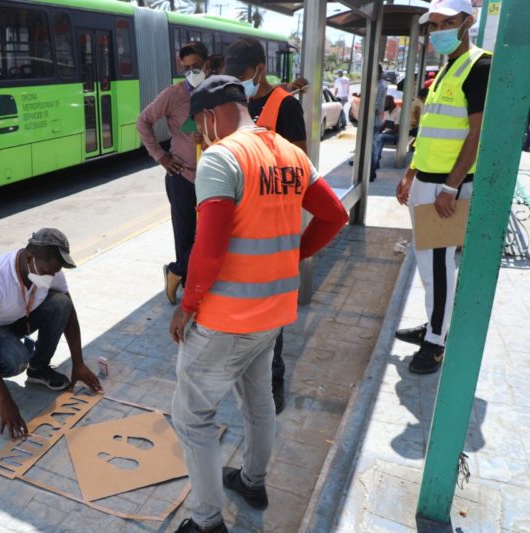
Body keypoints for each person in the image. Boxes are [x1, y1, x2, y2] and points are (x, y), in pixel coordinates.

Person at [169, 76, 348, 533]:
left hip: (225, 319)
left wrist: (187, 304)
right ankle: (253, 481)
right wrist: (297, 253)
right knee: (258, 402)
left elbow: (208, 250)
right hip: (274, 311)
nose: (198, 134)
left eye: (199, 124)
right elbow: (335, 214)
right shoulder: (291, 154)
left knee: (193, 417)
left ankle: (207, 522)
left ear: (211, 115)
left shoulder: (222, 158)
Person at [395, 0, 491, 374]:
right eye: (434, 25)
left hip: (445, 190)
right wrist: (411, 172)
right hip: (426, 182)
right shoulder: (448, 67)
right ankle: (435, 323)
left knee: (438, 265)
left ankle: (435, 342)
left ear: (467, 22)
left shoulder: (479, 66)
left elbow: (477, 134)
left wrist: (451, 187)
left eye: (447, 23)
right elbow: (431, 131)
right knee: (428, 263)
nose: (438, 32)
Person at [0, 228, 102, 438]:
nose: (52, 276)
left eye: (56, 271)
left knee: (60, 304)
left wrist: (78, 363)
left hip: (11, 319)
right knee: (15, 358)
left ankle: (38, 369)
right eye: (48, 271)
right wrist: (5, 400)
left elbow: (70, 314)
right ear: (29, 258)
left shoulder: (47, 268)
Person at [224, 36, 309, 414]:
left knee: (271, 311)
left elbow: (301, 164)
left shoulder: (284, 106)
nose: (237, 81)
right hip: (237, 222)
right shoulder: (232, 102)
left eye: (242, 75)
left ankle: (274, 380)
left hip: (272, 225)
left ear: (260, 69)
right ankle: (242, 378)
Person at [137, 41, 210, 305]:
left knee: (209, 232)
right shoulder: (174, 95)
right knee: (186, 234)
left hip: (213, 177)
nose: (192, 72)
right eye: (187, 68)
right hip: (183, 177)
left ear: (207, 64)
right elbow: (143, 121)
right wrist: (161, 156)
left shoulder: (219, 91)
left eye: (197, 66)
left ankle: (177, 271)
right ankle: (189, 287)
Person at [370, 95, 401, 181]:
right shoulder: (387, 112)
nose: (384, 105)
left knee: (380, 138)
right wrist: (375, 132)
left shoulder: (398, 111)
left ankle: (375, 162)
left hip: (395, 136)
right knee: (372, 135)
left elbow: (395, 130)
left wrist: (381, 133)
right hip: (386, 133)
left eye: (386, 103)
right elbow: (383, 125)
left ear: (391, 102)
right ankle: (369, 161)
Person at [375, 63, 388, 128]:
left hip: (375, 117)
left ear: (380, 73)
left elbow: (378, 102)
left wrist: (374, 109)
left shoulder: (381, 85)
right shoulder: (374, 83)